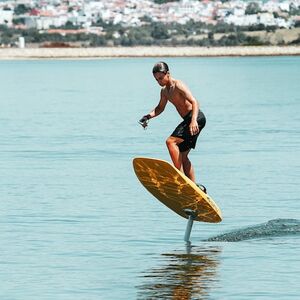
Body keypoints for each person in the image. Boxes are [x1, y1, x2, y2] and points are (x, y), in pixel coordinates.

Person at [139, 61, 206, 186]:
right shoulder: (165, 92)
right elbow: (160, 108)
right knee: (183, 156)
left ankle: (179, 177)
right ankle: (193, 187)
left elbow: (195, 101)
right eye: (156, 80)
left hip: (195, 118)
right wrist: (147, 116)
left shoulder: (178, 85)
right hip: (189, 120)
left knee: (170, 141)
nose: (159, 82)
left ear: (168, 74)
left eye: (161, 78)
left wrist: (193, 121)